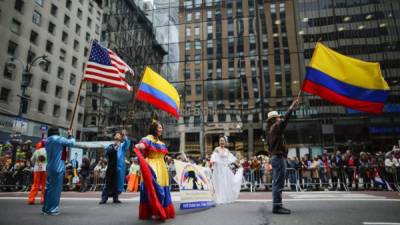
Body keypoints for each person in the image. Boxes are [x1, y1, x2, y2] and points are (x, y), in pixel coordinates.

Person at [134, 120, 175, 221]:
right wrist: (138, 146)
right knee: (155, 188)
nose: (161, 129)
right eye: (159, 127)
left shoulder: (161, 143)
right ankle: (154, 209)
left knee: (162, 188)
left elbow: (162, 156)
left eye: (161, 128)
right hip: (152, 167)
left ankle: (161, 209)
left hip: (162, 167)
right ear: (154, 128)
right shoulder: (148, 139)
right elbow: (143, 145)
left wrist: (168, 158)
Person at [266, 98, 298, 214]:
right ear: (275, 119)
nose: (280, 119)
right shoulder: (275, 127)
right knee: (278, 183)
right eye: (278, 117)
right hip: (278, 158)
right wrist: (291, 108)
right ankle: (277, 206)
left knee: (277, 182)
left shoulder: (270, 130)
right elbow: (285, 121)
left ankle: (277, 205)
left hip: (276, 158)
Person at [42, 127, 75, 216]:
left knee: (48, 188)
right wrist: (70, 134)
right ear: (57, 132)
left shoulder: (47, 141)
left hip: (49, 167)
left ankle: (45, 208)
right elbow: (72, 143)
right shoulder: (59, 139)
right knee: (55, 190)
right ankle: (52, 209)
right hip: (58, 167)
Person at [99, 130, 131, 204]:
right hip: (111, 168)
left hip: (120, 168)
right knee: (108, 183)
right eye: (116, 135)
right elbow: (107, 153)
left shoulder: (123, 146)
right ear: (114, 137)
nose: (118, 136)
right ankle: (104, 198)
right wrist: (115, 147)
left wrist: (125, 135)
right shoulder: (111, 146)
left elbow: (127, 143)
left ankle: (115, 197)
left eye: (119, 135)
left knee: (118, 183)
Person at [210, 136, 243, 204]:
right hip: (218, 169)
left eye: (223, 141)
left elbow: (232, 159)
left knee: (226, 183)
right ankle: (219, 198)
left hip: (225, 169)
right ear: (219, 142)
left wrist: (239, 164)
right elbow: (213, 157)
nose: (222, 142)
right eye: (220, 141)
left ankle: (225, 198)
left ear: (225, 142)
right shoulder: (216, 149)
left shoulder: (227, 150)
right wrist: (211, 163)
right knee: (219, 183)